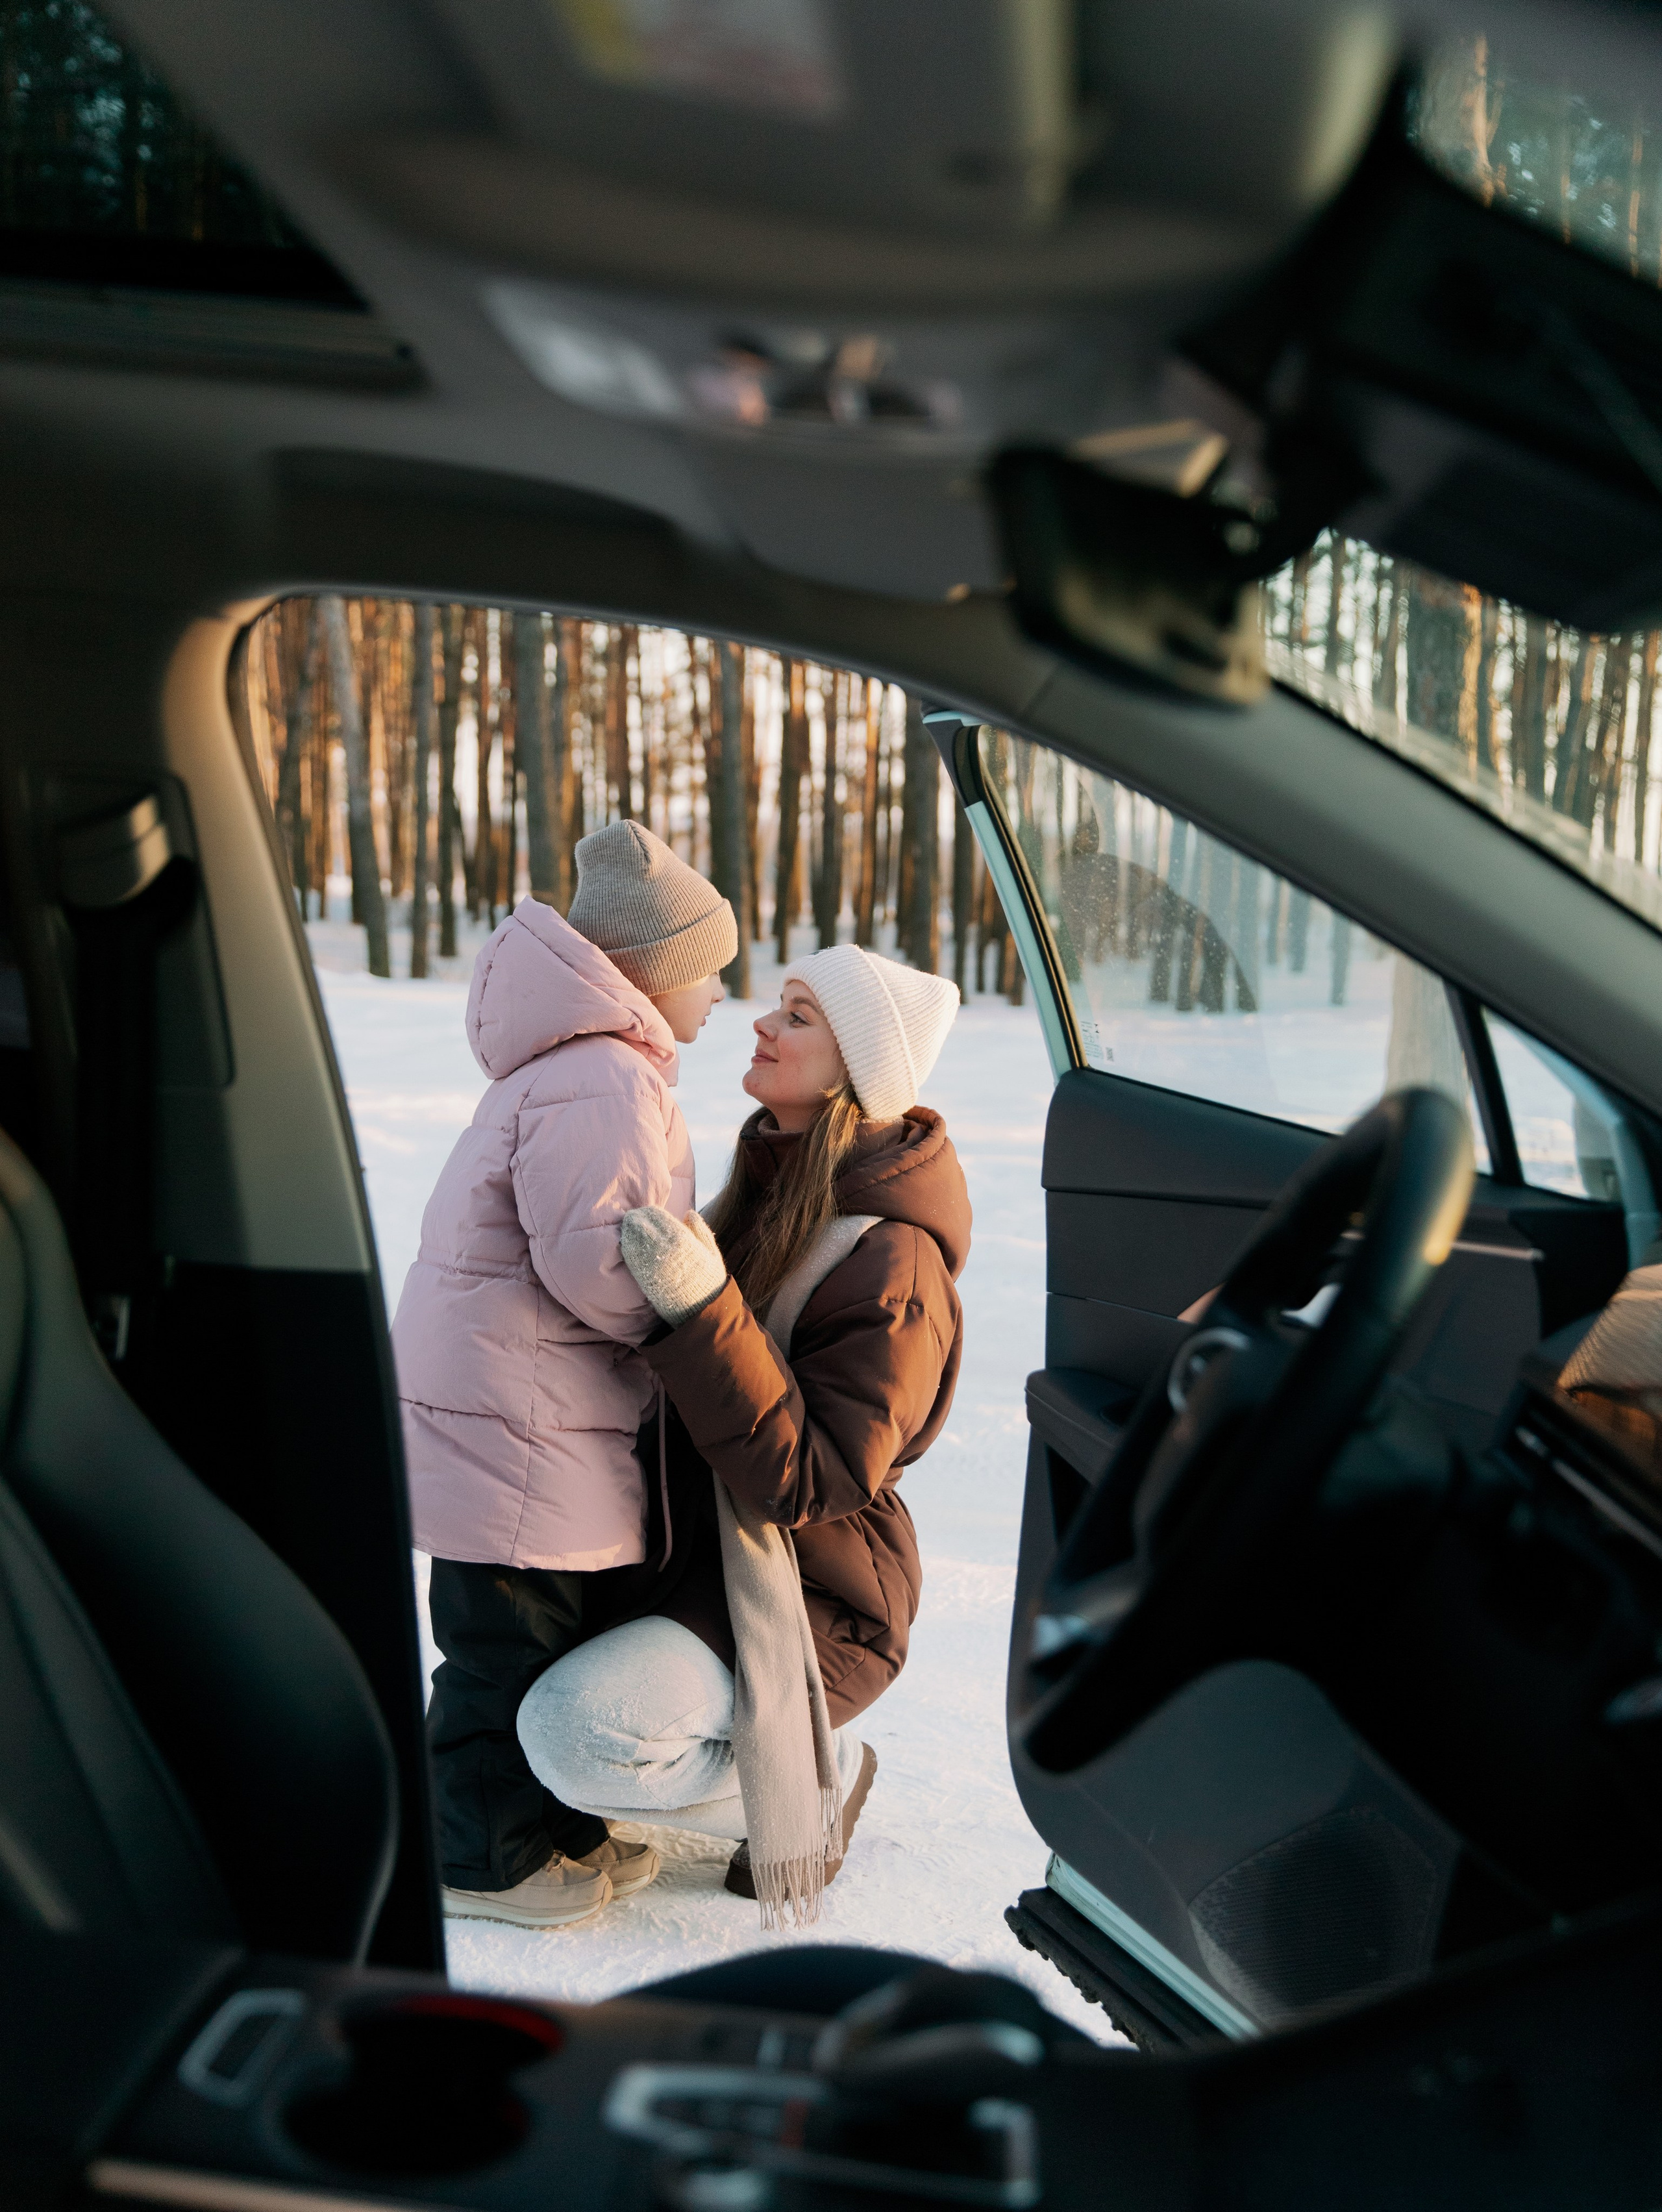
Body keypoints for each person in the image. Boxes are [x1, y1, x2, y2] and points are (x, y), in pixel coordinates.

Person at [515, 943, 969, 1922]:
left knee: (575, 1735)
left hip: (814, 1588)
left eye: (800, 1015)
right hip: (696, 1556)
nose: (764, 1021)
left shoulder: (894, 1263)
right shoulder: (762, 1194)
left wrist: (707, 1308)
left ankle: (815, 1783)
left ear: (856, 1067)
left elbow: (817, 1479)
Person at [391, 821, 736, 1931]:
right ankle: (484, 1862)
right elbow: (599, 1259)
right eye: (711, 968)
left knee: (550, 1634)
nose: (722, 994)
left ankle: (558, 1826)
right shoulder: (606, 1078)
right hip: (516, 1419)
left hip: (524, 1408)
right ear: (648, 972)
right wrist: (694, 1317)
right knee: (503, 1653)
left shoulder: (585, 1066)